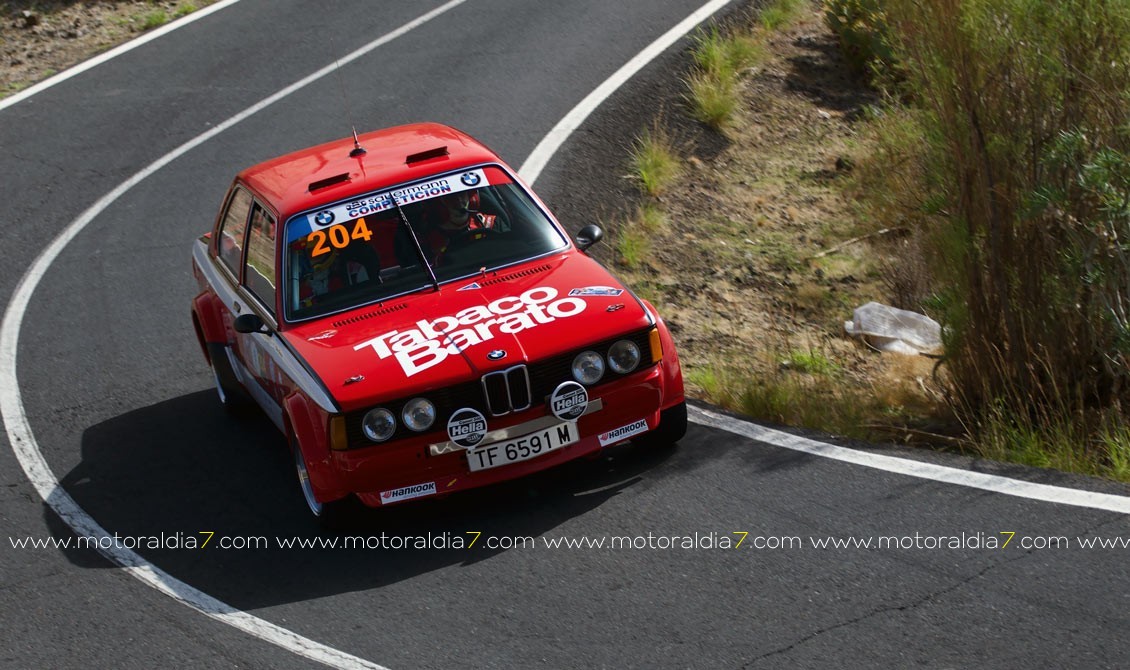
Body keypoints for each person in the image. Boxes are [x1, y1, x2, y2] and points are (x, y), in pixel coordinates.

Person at [396, 190, 499, 267]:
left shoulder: (490, 224)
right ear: (436, 205)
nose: (459, 202)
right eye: (450, 197)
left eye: (462, 194)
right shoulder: (420, 242)